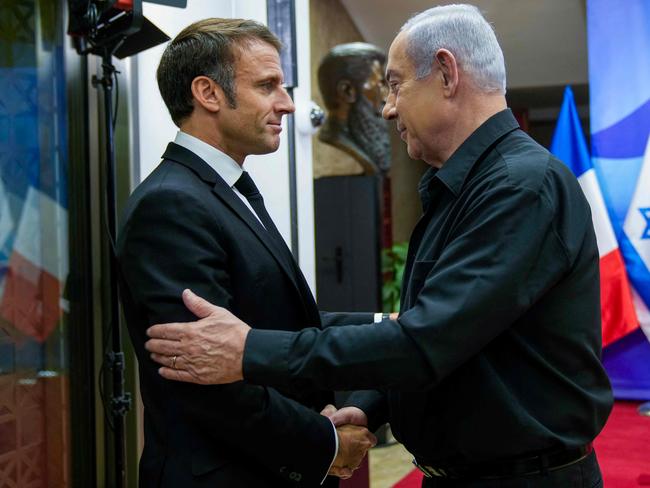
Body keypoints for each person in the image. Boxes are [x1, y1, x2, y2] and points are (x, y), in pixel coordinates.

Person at [145, 5, 614, 487]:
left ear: (447, 74)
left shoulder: (520, 186)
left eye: (395, 84)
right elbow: (451, 343)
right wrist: (364, 405)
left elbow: (427, 341)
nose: (388, 107)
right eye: (268, 86)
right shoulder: (464, 185)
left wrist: (249, 351)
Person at [116, 18, 376, 488]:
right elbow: (207, 375)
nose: (288, 104)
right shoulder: (170, 203)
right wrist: (326, 443)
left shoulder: (220, 188)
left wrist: (389, 326)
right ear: (208, 93)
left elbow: (273, 325)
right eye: (267, 85)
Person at [317, 42, 390, 175]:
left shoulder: (366, 137)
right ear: (347, 91)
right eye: (379, 85)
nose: (386, 97)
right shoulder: (337, 139)